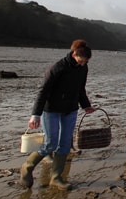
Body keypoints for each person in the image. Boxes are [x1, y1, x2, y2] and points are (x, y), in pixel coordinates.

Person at [19, 39, 96, 190]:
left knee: (65, 144)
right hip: (51, 110)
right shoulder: (57, 68)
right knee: (50, 144)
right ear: (74, 54)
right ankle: (26, 168)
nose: (82, 64)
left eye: (85, 61)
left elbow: (81, 89)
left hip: (70, 109)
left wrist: (86, 106)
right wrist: (35, 114)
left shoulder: (83, 68)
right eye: (81, 60)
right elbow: (43, 91)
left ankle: (56, 177)